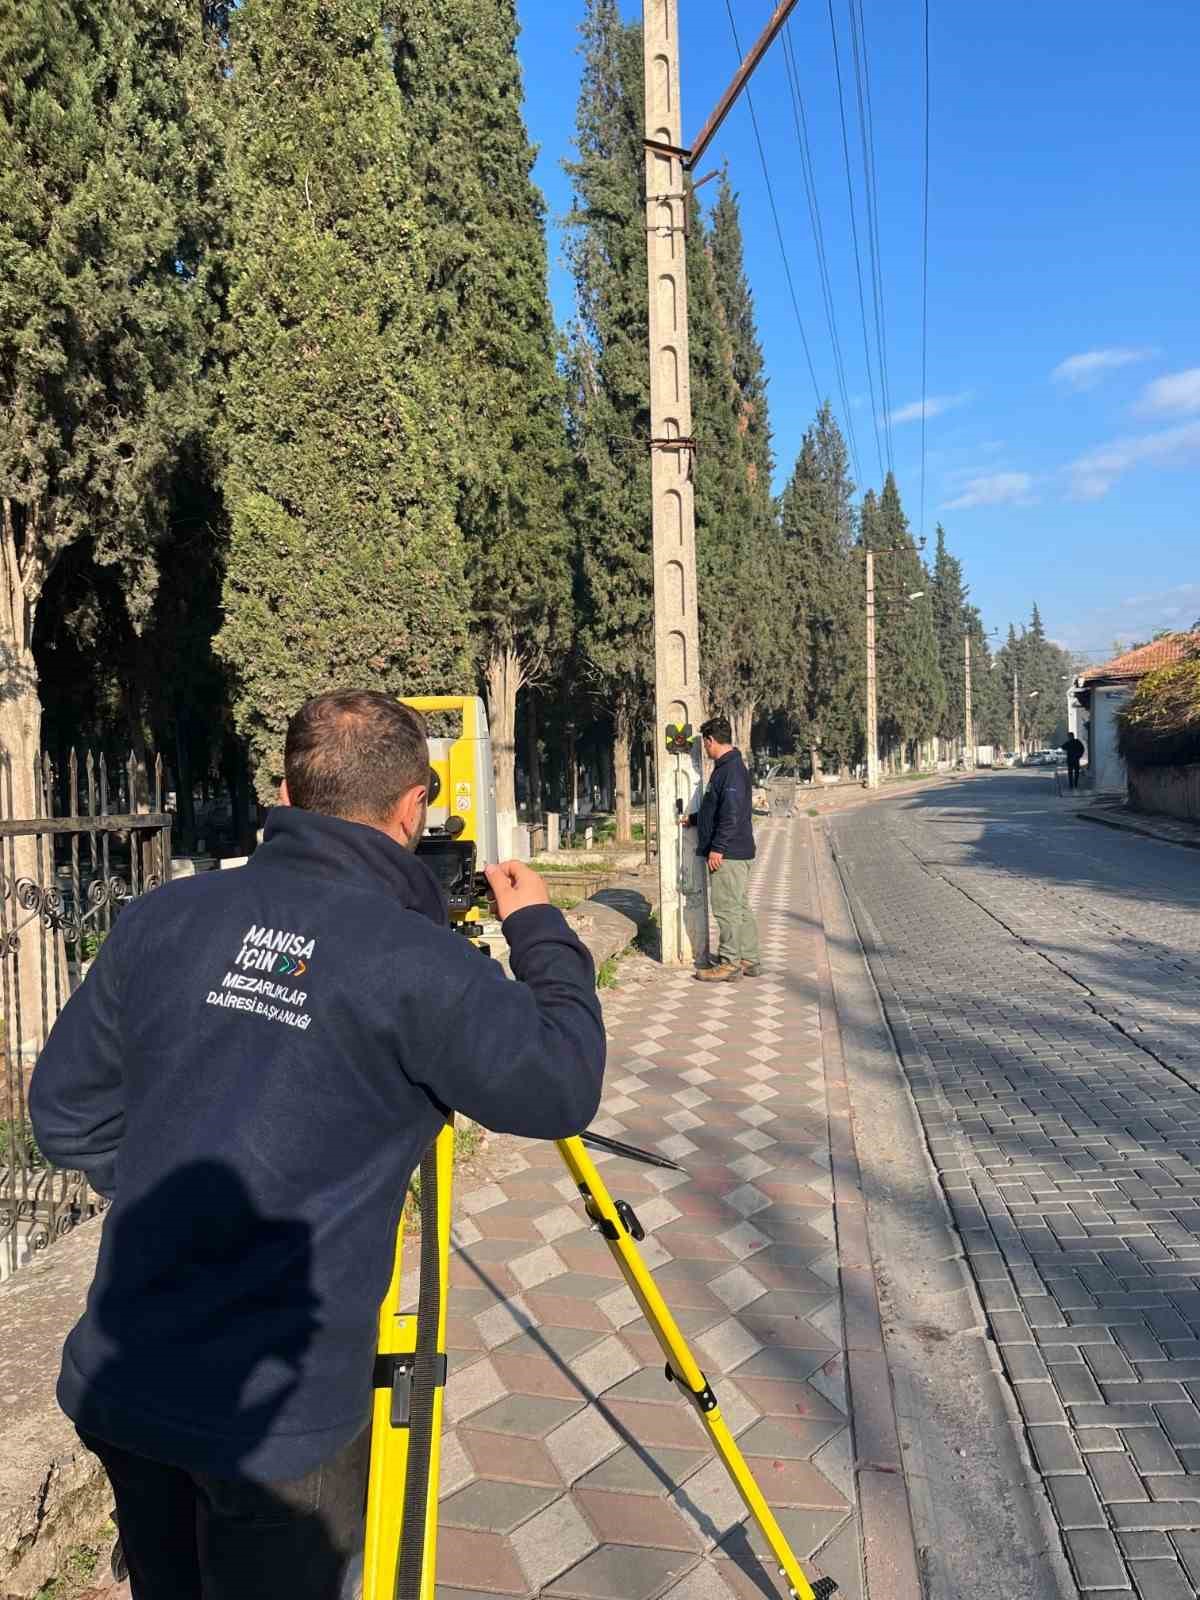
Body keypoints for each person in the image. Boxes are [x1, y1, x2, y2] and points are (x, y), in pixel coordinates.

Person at [29, 689, 606, 1600]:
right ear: (415, 804)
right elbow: (563, 1084)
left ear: (286, 793)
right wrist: (539, 928)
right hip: (278, 1424)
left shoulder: (160, 919)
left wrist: (163, 1186)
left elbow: (65, 1116)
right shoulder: (423, 966)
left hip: (124, 1376)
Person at [682, 716, 759, 982]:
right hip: (738, 850)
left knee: (726, 908)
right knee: (739, 906)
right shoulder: (729, 767)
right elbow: (717, 809)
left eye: (705, 744)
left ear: (710, 740)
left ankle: (729, 963)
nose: (704, 749)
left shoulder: (730, 770)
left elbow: (732, 813)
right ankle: (748, 957)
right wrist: (693, 819)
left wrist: (717, 848)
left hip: (729, 853)